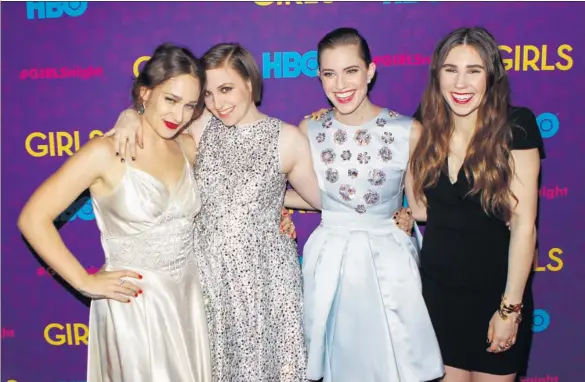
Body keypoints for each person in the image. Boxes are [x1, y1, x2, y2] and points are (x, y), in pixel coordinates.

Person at [103, 43, 322, 381]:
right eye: (208, 94)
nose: (218, 103)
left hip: (265, 277)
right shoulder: (199, 127)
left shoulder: (288, 138)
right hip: (205, 273)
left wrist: (272, 199)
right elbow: (154, 118)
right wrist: (129, 114)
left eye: (226, 89)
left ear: (249, 82)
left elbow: (319, 200)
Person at [18, 43, 213, 382]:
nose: (178, 115)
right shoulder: (105, 152)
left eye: (189, 105)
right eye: (170, 99)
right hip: (134, 305)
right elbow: (33, 218)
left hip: (188, 299)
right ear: (145, 92)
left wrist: (133, 114)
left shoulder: (186, 146)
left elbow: (234, 108)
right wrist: (83, 280)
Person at [288, 27, 444, 382]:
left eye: (351, 71)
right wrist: (266, 198)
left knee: (392, 364)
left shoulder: (408, 130)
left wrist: (410, 214)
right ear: (319, 76)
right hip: (329, 257)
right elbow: (316, 197)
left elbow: (420, 204)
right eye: (329, 73)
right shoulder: (309, 130)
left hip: (388, 258)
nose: (340, 84)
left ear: (370, 71)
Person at [408, 27, 543, 382]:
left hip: (494, 299)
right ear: (437, 75)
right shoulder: (425, 123)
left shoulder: (516, 127)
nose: (461, 83)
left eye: (474, 70)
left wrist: (509, 310)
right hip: (437, 299)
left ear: (492, 76)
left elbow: (524, 226)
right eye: (450, 69)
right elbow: (421, 209)